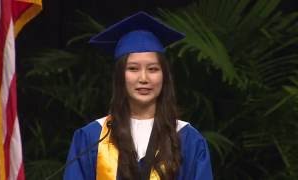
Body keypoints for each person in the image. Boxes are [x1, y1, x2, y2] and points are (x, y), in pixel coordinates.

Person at [64, 11, 213, 180]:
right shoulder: (92, 137)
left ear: (164, 76)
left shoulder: (188, 139)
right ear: (120, 76)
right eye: (133, 68)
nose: (144, 78)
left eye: (153, 69)